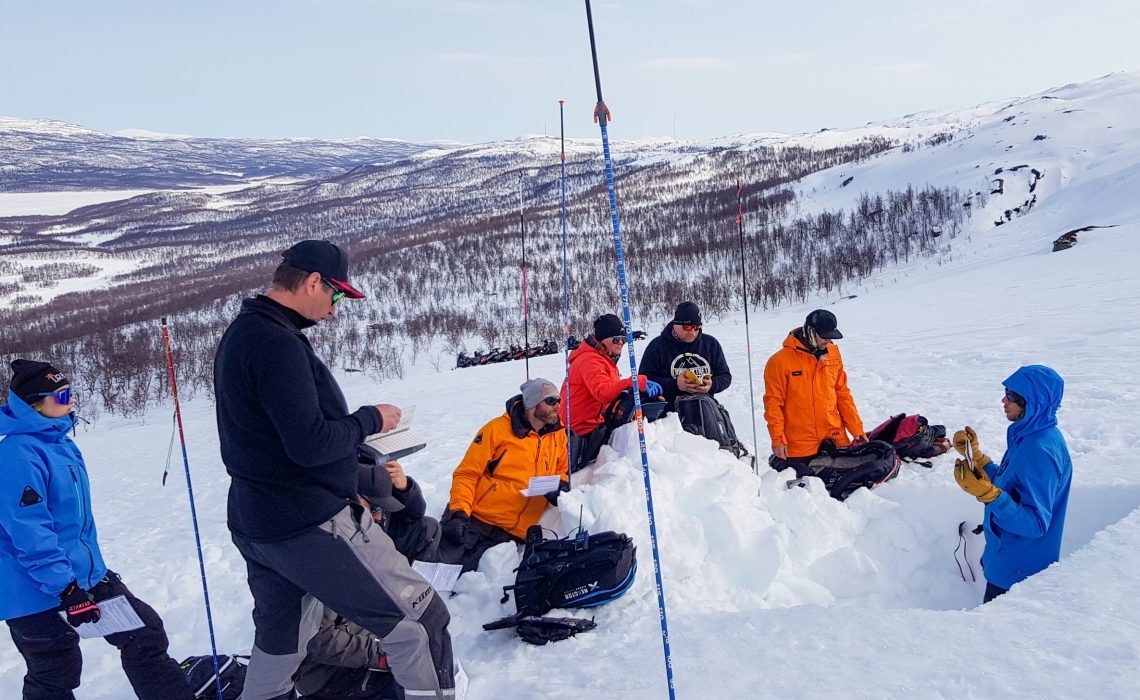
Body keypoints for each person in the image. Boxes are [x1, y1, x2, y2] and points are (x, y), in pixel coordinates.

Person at [213, 239, 454, 700]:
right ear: (311, 282)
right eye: (336, 295)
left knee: (282, 641)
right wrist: (370, 420)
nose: (334, 309)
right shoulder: (275, 344)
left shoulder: (246, 332)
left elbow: (281, 438)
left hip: (258, 520)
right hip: (307, 521)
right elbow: (310, 444)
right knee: (422, 623)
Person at [0, 359, 193, 700]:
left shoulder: (57, 442)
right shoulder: (17, 455)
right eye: (61, 397)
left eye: (70, 393)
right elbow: (31, 533)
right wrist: (67, 589)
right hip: (33, 590)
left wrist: (90, 575)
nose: (71, 401)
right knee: (54, 669)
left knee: (143, 632)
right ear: (33, 405)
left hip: (81, 576)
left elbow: (71, 526)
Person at [293, 458, 436, 700]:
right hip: (326, 673)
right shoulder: (323, 555)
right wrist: (381, 654)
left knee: (425, 666)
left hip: (364, 641)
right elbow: (317, 639)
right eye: (375, 510)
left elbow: (413, 515)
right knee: (409, 685)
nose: (380, 519)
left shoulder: (358, 535)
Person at [952, 365, 1073, 603]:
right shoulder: (1029, 435)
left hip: (1016, 576)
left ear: (1033, 402)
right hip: (1005, 559)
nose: (1004, 400)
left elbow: (1036, 524)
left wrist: (989, 496)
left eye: (1013, 396)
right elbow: (1013, 484)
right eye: (1007, 392)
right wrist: (978, 458)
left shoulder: (1040, 450)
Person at [439, 379, 569, 572]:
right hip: (479, 519)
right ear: (532, 405)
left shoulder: (558, 434)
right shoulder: (496, 430)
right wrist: (459, 513)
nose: (558, 406)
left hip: (516, 532)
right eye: (550, 401)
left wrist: (560, 487)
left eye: (558, 400)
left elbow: (562, 469)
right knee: (442, 573)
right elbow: (467, 474)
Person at [763, 309, 867, 469]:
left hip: (835, 438)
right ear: (810, 332)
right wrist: (778, 440)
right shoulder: (779, 362)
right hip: (799, 445)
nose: (828, 341)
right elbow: (773, 404)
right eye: (824, 336)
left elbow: (842, 394)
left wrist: (856, 429)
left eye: (831, 336)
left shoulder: (833, 354)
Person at [561, 314, 663, 468]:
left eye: (623, 339)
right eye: (616, 339)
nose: (621, 343)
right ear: (602, 340)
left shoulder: (603, 359)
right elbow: (602, 392)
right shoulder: (590, 360)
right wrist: (633, 382)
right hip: (579, 434)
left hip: (593, 427)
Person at [640, 301, 732, 410]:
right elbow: (644, 381)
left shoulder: (710, 344)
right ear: (675, 325)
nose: (692, 332)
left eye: (697, 327)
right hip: (669, 414)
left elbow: (725, 376)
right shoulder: (657, 346)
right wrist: (675, 385)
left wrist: (711, 385)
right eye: (687, 327)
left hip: (704, 409)